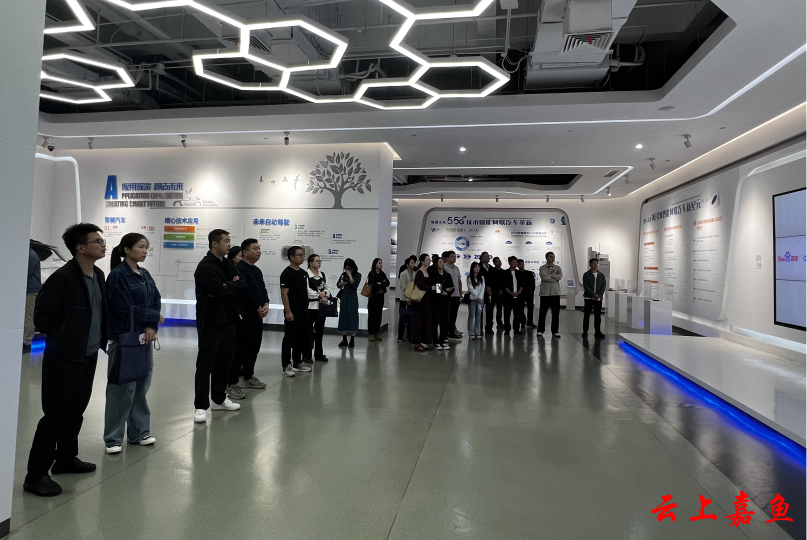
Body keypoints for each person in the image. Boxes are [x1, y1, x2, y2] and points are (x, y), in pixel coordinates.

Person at [24, 223, 108, 497]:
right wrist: (63, 338)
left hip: (88, 354)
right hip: (64, 357)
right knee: (55, 415)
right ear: (81, 248)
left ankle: (65, 458)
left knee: (76, 410)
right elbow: (43, 317)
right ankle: (35, 475)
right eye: (97, 241)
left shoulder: (98, 274)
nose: (103, 245)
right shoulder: (63, 277)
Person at [104, 233, 163, 454]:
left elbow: (155, 299)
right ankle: (113, 438)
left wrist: (151, 326)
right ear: (127, 250)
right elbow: (125, 308)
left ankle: (139, 432)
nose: (145, 251)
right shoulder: (118, 276)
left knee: (141, 384)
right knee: (121, 388)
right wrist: (153, 317)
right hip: (124, 339)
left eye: (147, 247)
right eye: (141, 247)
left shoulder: (145, 274)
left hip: (144, 337)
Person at [193, 229, 244, 424]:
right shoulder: (205, 267)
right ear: (214, 244)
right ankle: (200, 406)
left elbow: (242, 285)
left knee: (225, 362)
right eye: (226, 241)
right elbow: (218, 290)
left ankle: (219, 398)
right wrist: (229, 286)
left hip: (229, 320)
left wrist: (226, 285)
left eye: (230, 241)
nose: (229, 244)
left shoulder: (229, 264)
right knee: (205, 364)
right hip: (211, 321)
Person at [228, 238, 269, 398]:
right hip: (244, 316)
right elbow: (243, 293)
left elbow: (263, 289)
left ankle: (248, 377)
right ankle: (232, 383)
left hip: (257, 315)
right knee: (240, 349)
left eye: (259, 248)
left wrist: (266, 303)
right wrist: (257, 307)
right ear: (245, 252)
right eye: (255, 248)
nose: (259, 251)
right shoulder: (239, 269)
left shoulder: (256, 270)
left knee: (254, 347)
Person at [280, 246, 312, 376]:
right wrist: (288, 311)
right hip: (292, 311)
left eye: (303, 255)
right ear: (292, 257)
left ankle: (297, 362)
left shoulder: (303, 272)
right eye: (299, 255)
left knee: (301, 337)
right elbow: (284, 294)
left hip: (303, 311)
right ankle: (286, 365)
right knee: (289, 338)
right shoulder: (286, 273)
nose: (302, 257)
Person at [306, 253, 331, 362]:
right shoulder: (306, 275)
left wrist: (324, 293)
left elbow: (327, 288)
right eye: (317, 261)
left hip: (321, 307)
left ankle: (319, 354)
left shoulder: (322, 275)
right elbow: (307, 291)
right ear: (310, 263)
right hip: (310, 307)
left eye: (320, 261)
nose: (319, 262)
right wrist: (319, 295)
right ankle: (306, 355)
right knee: (308, 331)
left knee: (319, 331)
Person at [409, 254, 433, 352]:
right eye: (427, 260)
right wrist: (431, 288)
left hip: (426, 300)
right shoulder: (419, 272)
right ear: (422, 261)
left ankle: (421, 342)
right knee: (417, 322)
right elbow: (421, 286)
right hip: (419, 301)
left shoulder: (426, 271)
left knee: (423, 321)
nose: (429, 261)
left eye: (429, 260)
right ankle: (416, 343)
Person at [430, 257, 454, 350]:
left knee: (445, 321)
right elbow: (435, 288)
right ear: (436, 264)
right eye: (440, 262)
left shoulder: (448, 275)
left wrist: (447, 292)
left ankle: (443, 340)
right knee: (435, 321)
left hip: (446, 300)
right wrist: (444, 289)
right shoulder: (433, 275)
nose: (442, 263)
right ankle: (435, 341)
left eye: (443, 262)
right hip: (436, 301)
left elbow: (452, 287)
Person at [537, 251, 563, 338]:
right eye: (551, 256)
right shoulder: (542, 268)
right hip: (545, 293)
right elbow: (544, 277)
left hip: (555, 293)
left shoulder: (558, 268)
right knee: (542, 313)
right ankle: (540, 330)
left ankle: (555, 331)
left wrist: (550, 276)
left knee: (555, 313)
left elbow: (560, 277)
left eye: (553, 256)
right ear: (547, 258)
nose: (552, 258)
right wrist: (553, 277)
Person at [337, 258, 361, 348]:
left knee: (353, 317)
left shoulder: (358, 275)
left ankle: (352, 339)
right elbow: (338, 285)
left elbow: (355, 285)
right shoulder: (343, 274)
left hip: (352, 298)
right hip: (344, 298)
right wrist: (342, 283)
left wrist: (350, 277)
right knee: (343, 317)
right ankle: (344, 339)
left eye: (349, 268)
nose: (347, 270)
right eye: (346, 268)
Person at [582, 258, 607, 339]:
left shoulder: (601, 275)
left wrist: (599, 295)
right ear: (590, 265)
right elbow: (585, 286)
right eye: (593, 263)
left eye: (596, 263)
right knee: (587, 314)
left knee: (597, 315)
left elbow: (603, 286)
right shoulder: (586, 275)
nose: (595, 265)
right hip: (588, 297)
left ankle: (597, 331)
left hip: (598, 298)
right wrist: (593, 294)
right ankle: (585, 331)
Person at [24, 245, 42, 352]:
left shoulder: (31, 255)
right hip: (27, 290)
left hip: (30, 291)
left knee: (28, 316)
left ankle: (27, 342)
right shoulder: (29, 254)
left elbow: (25, 273)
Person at [367, 258, 390, 341]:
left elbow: (387, 283)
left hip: (381, 296)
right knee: (372, 315)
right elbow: (372, 284)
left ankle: (376, 333)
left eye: (381, 263)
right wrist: (381, 283)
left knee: (378, 314)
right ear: (375, 264)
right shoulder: (371, 274)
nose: (381, 264)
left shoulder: (382, 274)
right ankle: (371, 333)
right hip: (373, 296)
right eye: (379, 263)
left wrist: (380, 283)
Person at [443, 251, 463, 342]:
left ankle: (452, 332)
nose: (454, 258)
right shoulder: (444, 267)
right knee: (447, 315)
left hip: (456, 295)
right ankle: (446, 333)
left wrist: (460, 292)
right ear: (447, 258)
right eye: (452, 256)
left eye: (455, 256)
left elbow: (459, 280)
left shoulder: (456, 268)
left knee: (454, 315)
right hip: (448, 295)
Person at [503, 256, 525, 335]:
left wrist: (519, 292)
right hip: (508, 296)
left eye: (516, 262)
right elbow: (504, 285)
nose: (515, 264)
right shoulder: (505, 273)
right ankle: (507, 329)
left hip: (518, 296)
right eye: (513, 262)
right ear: (509, 263)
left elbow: (522, 284)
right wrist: (510, 293)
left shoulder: (519, 273)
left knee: (517, 313)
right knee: (507, 313)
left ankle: (516, 329)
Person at [397, 256, 417, 343]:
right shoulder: (403, 274)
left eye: (414, 263)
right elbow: (404, 288)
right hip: (404, 299)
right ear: (407, 264)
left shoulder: (415, 273)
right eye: (412, 263)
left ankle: (409, 336)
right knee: (403, 317)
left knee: (411, 318)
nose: (413, 264)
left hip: (413, 298)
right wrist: (408, 299)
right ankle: (400, 337)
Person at [466, 262, 485, 340]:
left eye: (478, 267)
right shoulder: (469, 278)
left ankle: (478, 332)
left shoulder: (482, 278)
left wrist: (480, 297)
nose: (477, 269)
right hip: (472, 299)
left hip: (480, 300)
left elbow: (483, 288)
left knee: (478, 316)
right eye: (475, 267)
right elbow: (471, 288)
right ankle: (471, 333)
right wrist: (477, 297)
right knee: (471, 316)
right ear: (472, 268)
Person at [518, 259, 537, 328]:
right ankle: (522, 321)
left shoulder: (529, 273)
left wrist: (532, 291)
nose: (521, 265)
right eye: (520, 264)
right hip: (520, 294)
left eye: (522, 264)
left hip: (529, 293)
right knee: (520, 308)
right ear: (517, 265)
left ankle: (530, 322)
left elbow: (533, 283)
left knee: (530, 308)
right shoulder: (517, 273)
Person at [479, 252, 495, 334]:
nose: (488, 258)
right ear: (481, 258)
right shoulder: (478, 267)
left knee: (490, 312)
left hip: (490, 293)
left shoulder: (492, 268)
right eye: (485, 256)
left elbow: (495, 280)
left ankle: (489, 328)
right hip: (481, 293)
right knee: (480, 312)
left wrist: (490, 288)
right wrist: (485, 288)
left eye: (488, 256)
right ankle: (479, 329)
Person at [491, 256, 506, 330]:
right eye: (497, 261)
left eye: (499, 261)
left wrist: (502, 290)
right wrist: (497, 290)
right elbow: (492, 282)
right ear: (494, 263)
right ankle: (490, 323)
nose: (499, 262)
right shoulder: (492, 271)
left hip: (502, 293)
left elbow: (505, 282)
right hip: (494, 292)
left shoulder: (504, 272)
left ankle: (499, 322)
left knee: (500, 308)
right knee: (491, 308)